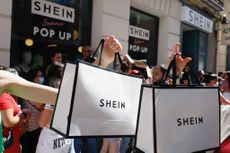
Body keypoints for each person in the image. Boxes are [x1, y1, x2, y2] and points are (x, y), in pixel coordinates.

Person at [36, 64, 74, 153]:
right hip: (65, 139)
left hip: (51, 140)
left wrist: (45, 106)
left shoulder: (52, 91)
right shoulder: (70, 90)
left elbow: (42, 123)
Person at [0, 68, 31, 153]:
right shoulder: (4, 96)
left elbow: (13, 125)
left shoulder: (9, 95)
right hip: (8, 145)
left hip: (12, 141)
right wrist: (22, 116)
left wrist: (24, 119)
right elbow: (8, 122)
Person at [20, 68, 44, 153]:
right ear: (33, 78)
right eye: (39, 76)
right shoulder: (33, 93)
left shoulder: (26, 91)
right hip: (34, 126)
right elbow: (42, 106)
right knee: (32, 148)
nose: (41, 78)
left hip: (30, 125)